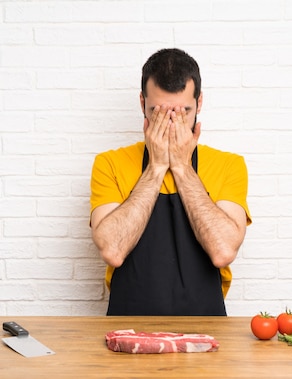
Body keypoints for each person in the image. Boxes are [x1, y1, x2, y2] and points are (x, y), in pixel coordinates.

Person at [90, 48, 251, 316]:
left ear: (199, 103)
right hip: (128, 329)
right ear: (142, 103)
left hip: (205, 329)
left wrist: (181, 166)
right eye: (158, 112)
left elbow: (223, 251)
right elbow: (112, 250)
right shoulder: (109, 164)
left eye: (183, 111)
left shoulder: (229, 165)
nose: (172, 122)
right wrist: (155, 167)